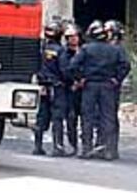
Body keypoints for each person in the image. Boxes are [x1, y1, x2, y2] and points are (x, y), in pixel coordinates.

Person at [69, 20, 130, 160]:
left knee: (87, 117)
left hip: (90, 86)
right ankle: (108, 150)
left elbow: (73, 66)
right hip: (108, 86)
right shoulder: (114, 50)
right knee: (108, 118)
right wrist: (117, 79)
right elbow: (125, 65)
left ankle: (86, 149)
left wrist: (80, 79)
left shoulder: (86, 49)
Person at [33, 20, 67, 157]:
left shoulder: (41, 48)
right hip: (56, 86)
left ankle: (38, 146)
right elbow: (64, 69)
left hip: (42, 85)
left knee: (41, 116)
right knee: (57, 117)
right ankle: (57, 147)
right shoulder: (60, 50)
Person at [103, 20, 127, 160]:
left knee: (109, 117)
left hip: (111, 88)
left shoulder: (118, 49)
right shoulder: (106, 47)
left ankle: (111, 148)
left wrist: (116, 79)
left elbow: (125, 66)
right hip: (103, 86)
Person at [62, 24, 82, 155]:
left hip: (84, 89)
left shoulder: (84, 51)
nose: (73, 39)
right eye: (70, 37)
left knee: (87, 119)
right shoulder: (64, 54)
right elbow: (64, 70)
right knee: (71, 118)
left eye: (75, 36)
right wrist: (73, 82)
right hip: (69, 90)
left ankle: (87, 145)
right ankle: (73, 145)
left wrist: (82, 81)